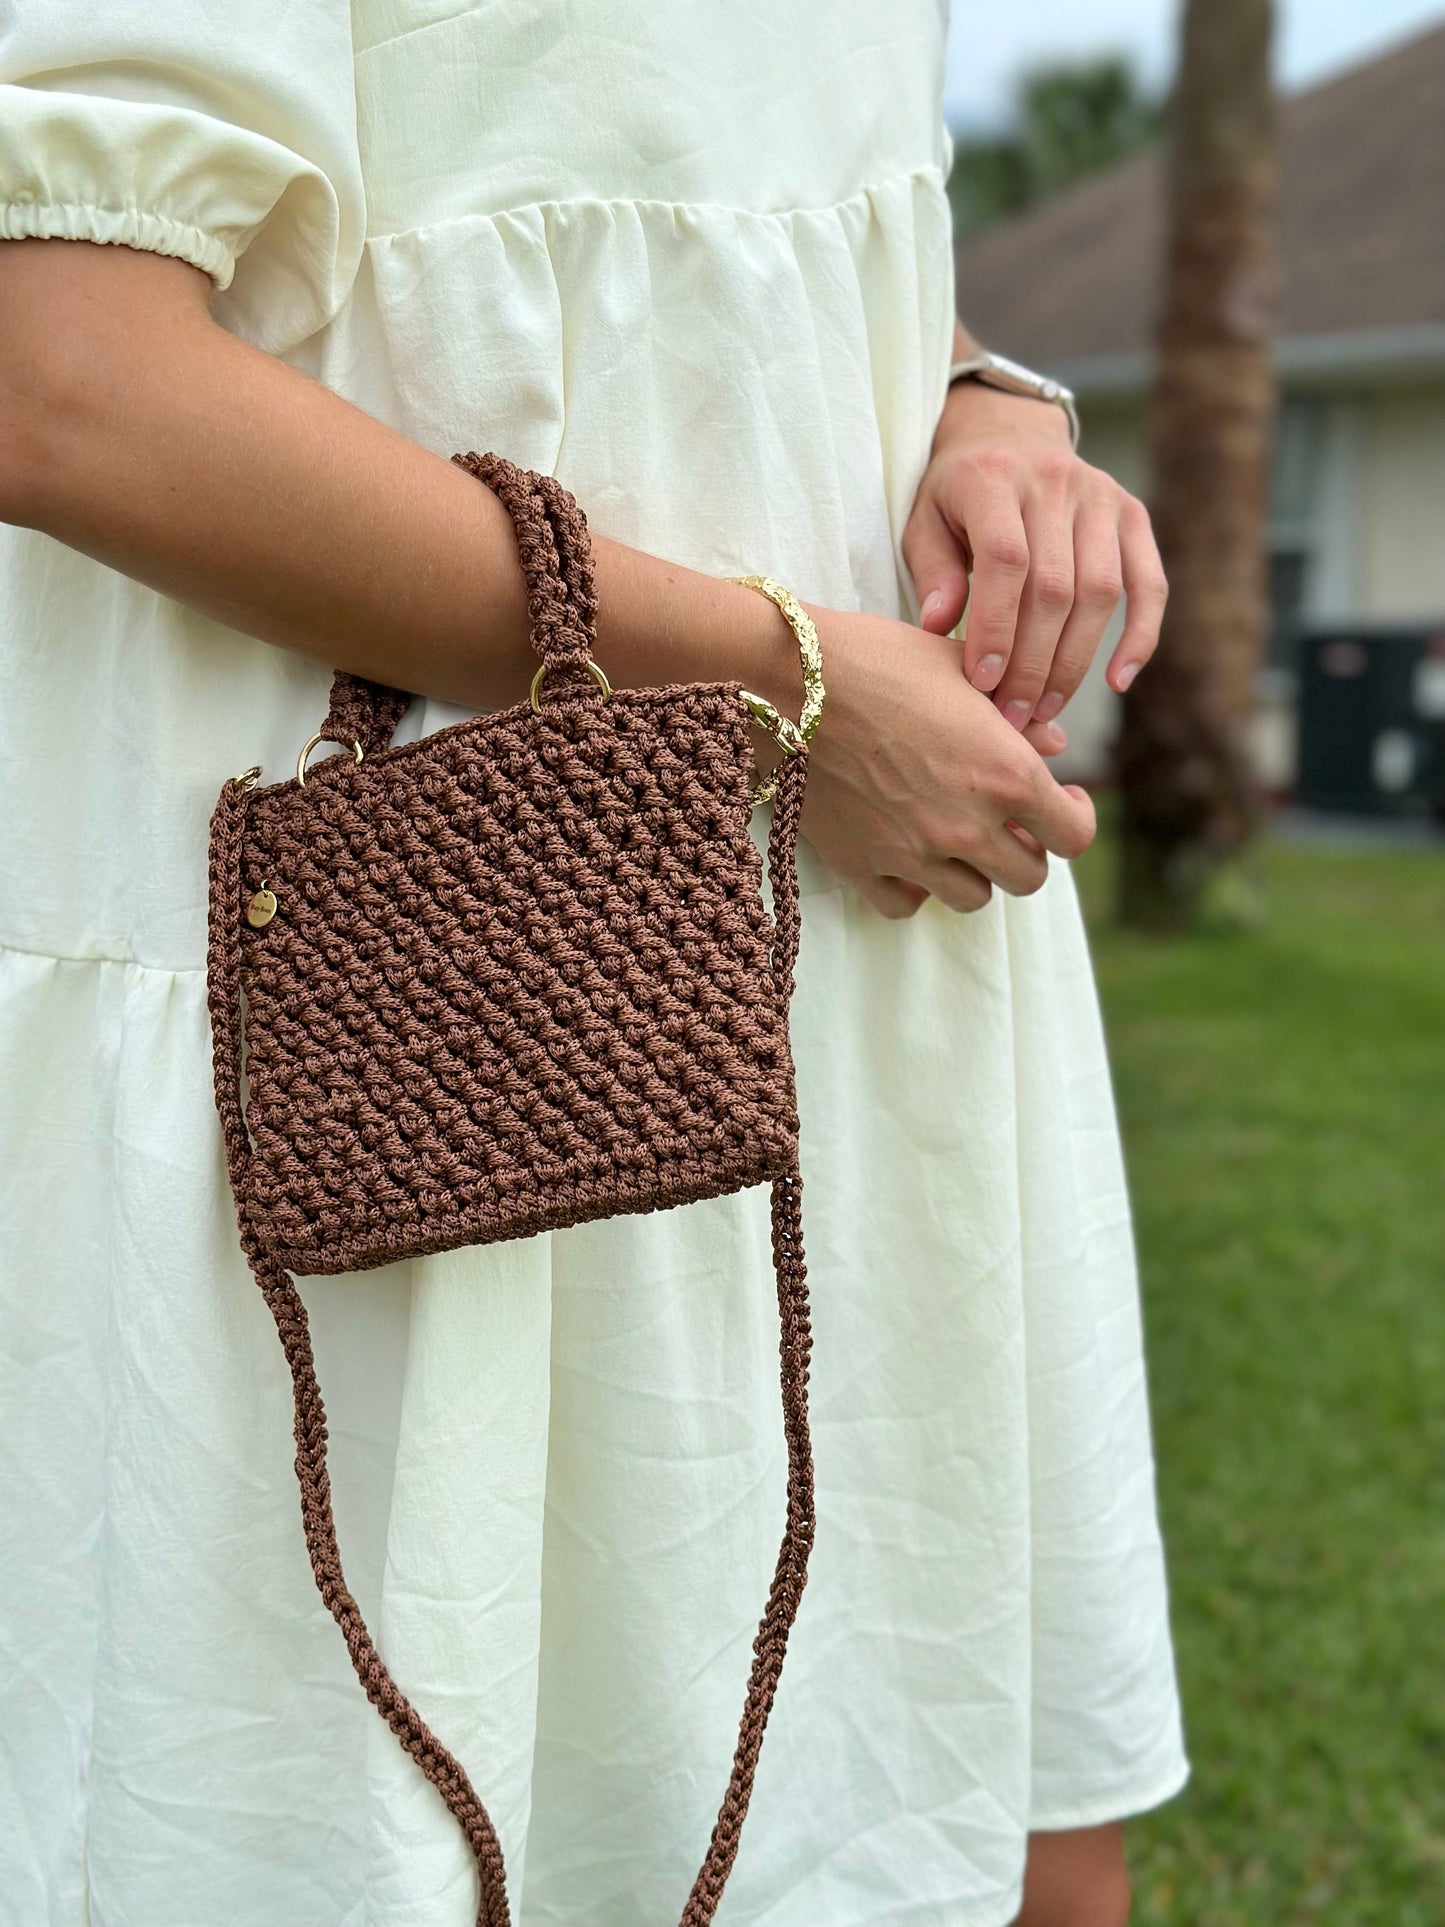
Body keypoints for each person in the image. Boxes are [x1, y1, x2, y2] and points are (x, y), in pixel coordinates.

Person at [0, 3, 1188, 1922]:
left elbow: (660, 190)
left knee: (957, 1795)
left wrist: (985, 397)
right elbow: (62, 379)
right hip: (444, 997)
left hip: (859, 932)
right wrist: (779, 693)